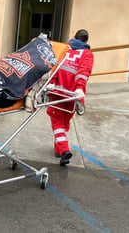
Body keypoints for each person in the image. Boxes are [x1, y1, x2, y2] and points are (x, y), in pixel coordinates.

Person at [46, 29, 94, 166]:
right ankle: (58, 149)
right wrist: (79, 88)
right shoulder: (87, 54)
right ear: (86, 41)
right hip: (72, 96)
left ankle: (64, 150)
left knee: (57, 122)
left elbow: (55, 67)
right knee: (64, 122)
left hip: (57, 93)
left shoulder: (64, 49)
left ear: (74, 37)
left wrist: (51, 83)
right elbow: (84, 72)